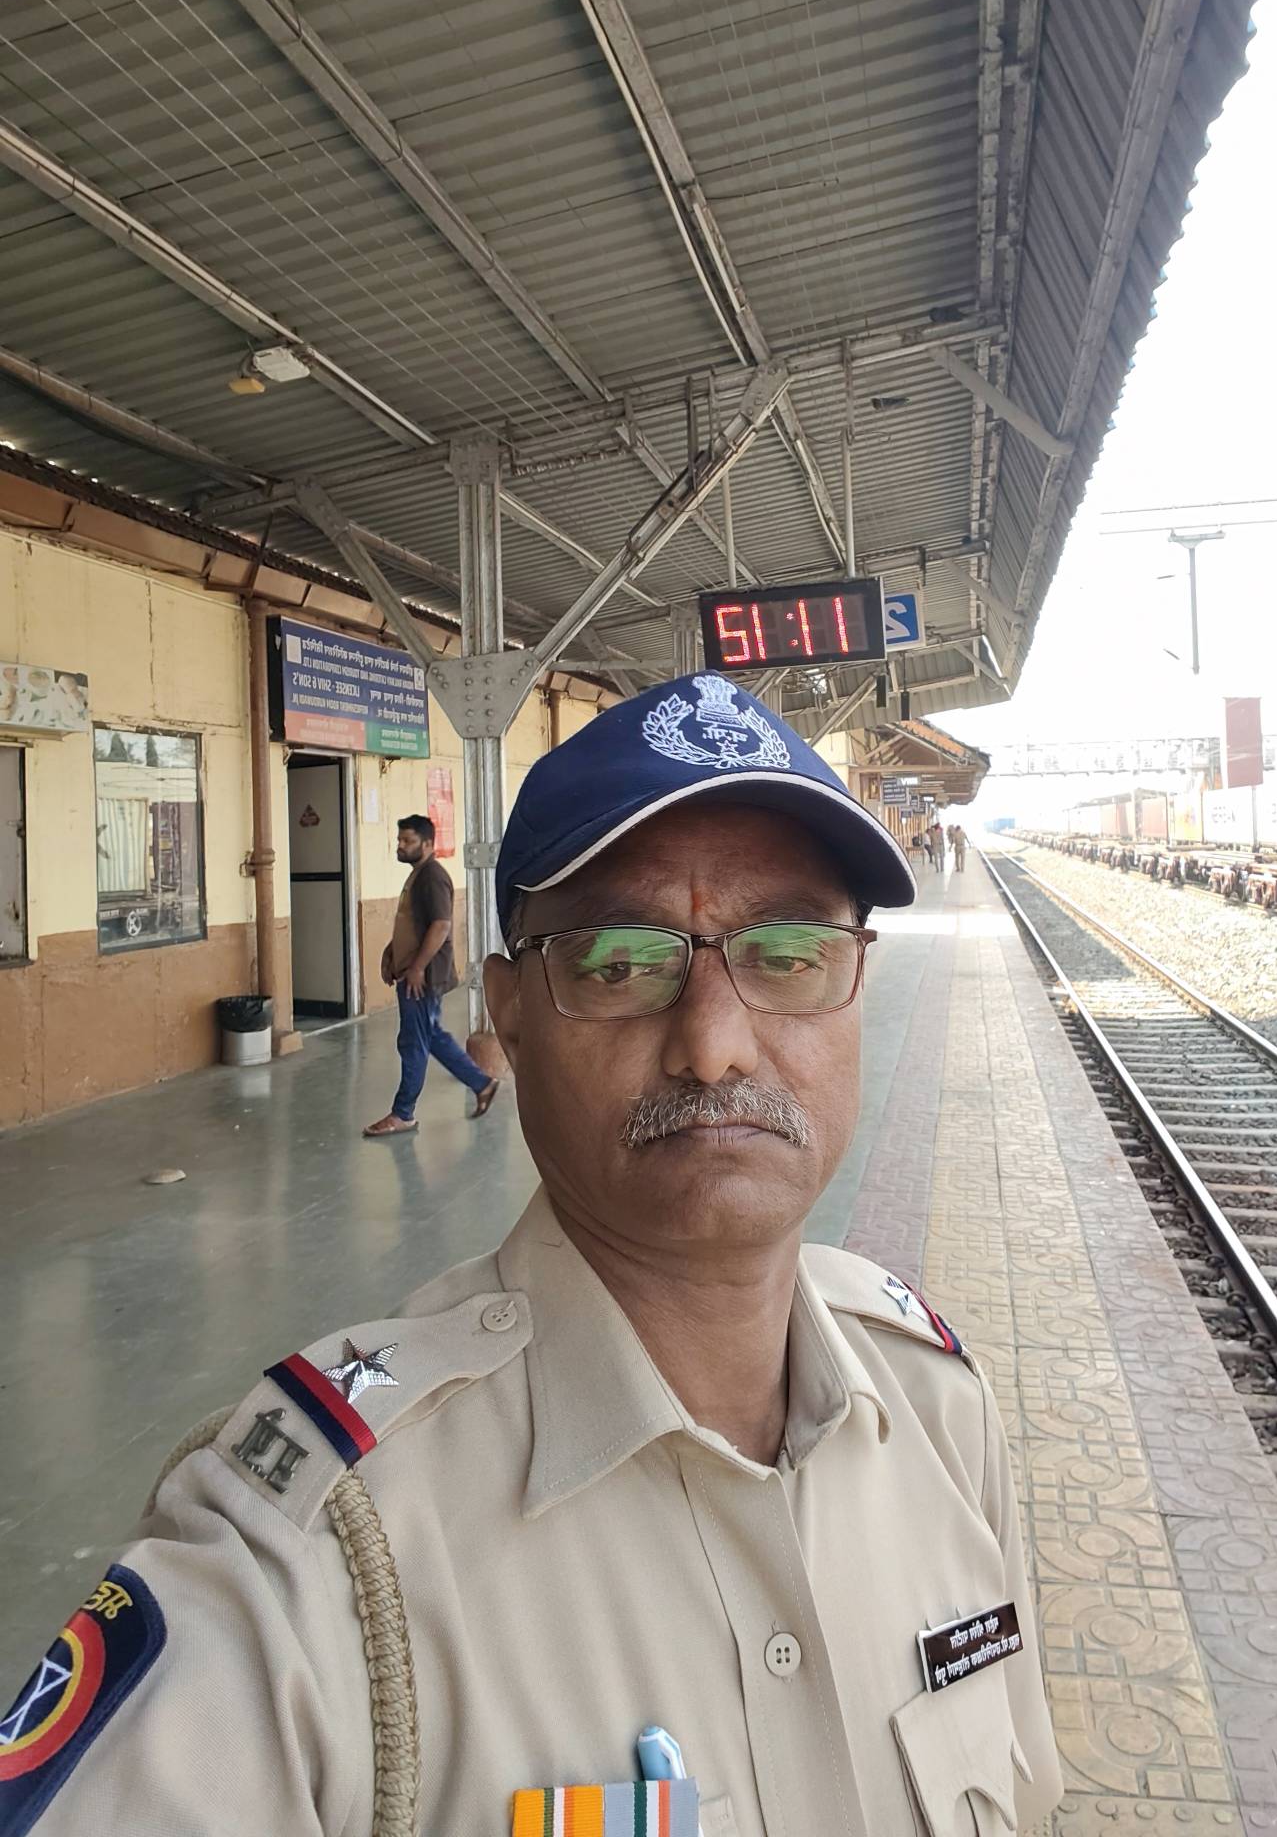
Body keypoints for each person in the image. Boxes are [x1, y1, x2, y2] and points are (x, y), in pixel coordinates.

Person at [4, 672, 1061, 1836]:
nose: (714, 1046)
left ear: (856, 983)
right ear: (508, 1012)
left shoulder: (940, 1410)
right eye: (619, 963)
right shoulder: (316, 1560)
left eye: (790, 952)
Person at [364, 811, 498, 1136]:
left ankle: (403, 1113)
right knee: (431, 1035)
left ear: (426, 844)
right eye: (399, 839)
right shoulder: (418, 875)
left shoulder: (432, 877)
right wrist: (391, 953)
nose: (400, 845)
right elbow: (413, 925)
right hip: (413, 973)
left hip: (421, 979)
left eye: (407, 840)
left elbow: (440, 926)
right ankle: (482, 1083)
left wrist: (416, 968)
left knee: (413, 1042)